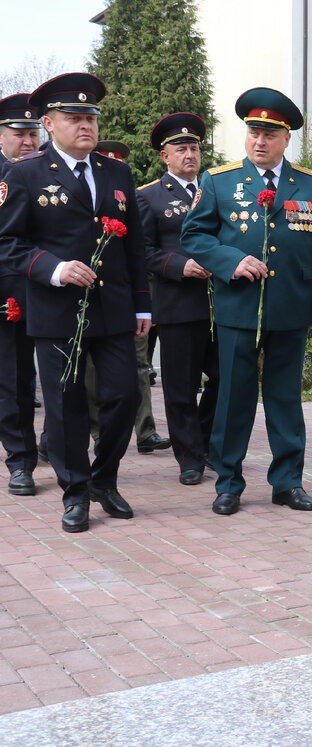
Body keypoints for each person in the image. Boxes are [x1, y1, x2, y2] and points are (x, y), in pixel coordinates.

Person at [180, 87, 312, 516]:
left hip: (290, 308)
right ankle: (229, 482)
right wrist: (230, 261)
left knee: (285, 398)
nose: (260, 141)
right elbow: (193, 235)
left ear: (286, 138)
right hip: (238, 309)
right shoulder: (220, 181)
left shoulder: (311, 185)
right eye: (254, 132)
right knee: (233, 397)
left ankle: (287, 482)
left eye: (270, 134)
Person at [0, 72, 151, 533]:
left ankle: (105, 478)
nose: (85, 124)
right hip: (57, 310)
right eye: (73, 116)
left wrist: (143, 306)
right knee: (65, 406)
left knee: (124, 395)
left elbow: (134, 247)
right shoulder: (24, 174)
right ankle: (76, 492)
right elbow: (7, 243)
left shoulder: (116, 171)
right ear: (49, 123)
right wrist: (55, 268)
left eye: (90, 116)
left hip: (113, 310)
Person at [138, 112, 218, 486]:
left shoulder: (217, 191)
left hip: (222, 305)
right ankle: (189, 457)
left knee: (227, 378)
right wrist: (180, 266)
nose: (189, 154)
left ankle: (204, 442)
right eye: (181, 149)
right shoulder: (149, 197)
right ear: (164, 157)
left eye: (194, 148)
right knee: (181, 387)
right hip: (178, 304)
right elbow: (142, 251)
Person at [88, 139, 172, 457]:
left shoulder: (129, 198)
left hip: (126, 296)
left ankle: (145, 430)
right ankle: (97, 429)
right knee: (91, 372)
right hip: (92, 294)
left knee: (138, 365)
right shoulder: (89, 195)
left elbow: (138, 249)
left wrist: (142, 301)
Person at [0, 93, 42, 496]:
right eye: (19, 134)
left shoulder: (50, 172)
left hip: (51, 289)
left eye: (33, 133)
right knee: (13, 380)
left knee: (62, 378)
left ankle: (57, 447)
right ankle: (20, 459)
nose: (28, 141)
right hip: (7, 294)